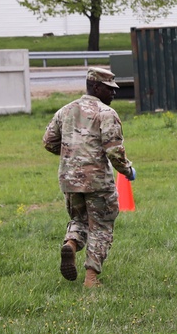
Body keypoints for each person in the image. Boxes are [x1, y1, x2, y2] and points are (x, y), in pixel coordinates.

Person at [42, 67, 136, 288]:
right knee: (101, 225)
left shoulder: (65, 110)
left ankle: (71, 244)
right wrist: (128, 170)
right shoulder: (106, 114)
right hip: (97, 182)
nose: (114, 93)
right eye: (109, 89)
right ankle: (91, 279)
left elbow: (48, 141)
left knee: (79, 219)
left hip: (69, 179)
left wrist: (72, 154)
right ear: (96, 87)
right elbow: (114, 151)